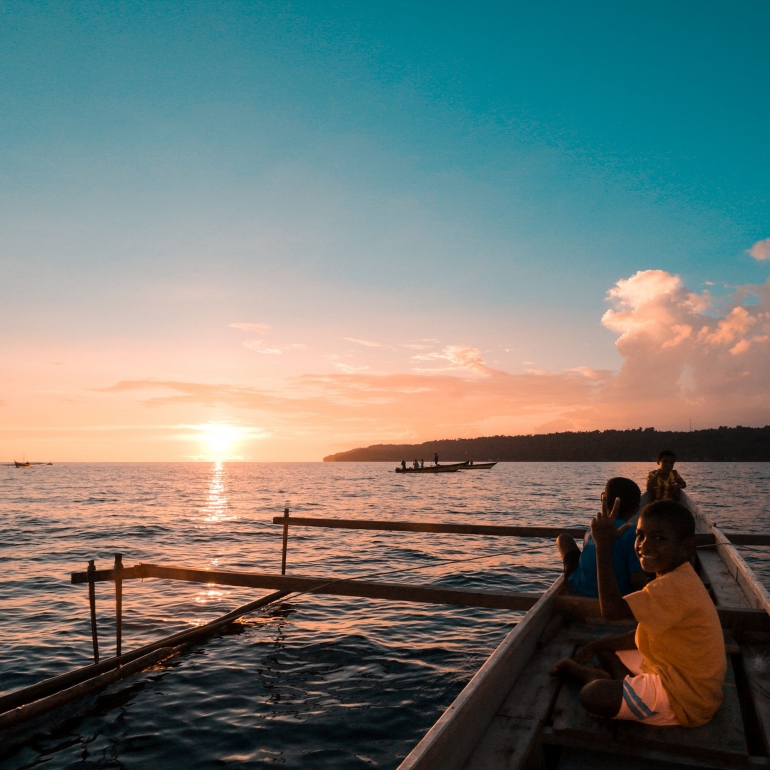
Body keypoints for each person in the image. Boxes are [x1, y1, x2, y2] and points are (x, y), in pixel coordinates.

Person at [551, 499, 726, 728]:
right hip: (672, 668)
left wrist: (604, 546)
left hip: (685, 699)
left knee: (592, 694)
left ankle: (595, 678)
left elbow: (611, 611)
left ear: (686, 547)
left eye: (659, 538)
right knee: (607, 649)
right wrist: (596, 646)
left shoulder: (673, 586)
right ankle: (622, 683)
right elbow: (646, 631)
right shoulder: (677, 576)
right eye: (640, 535)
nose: (644, 545)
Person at [557, 477, 647, 597]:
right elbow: (637, 579)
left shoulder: (594, 527)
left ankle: (568, 581)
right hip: (615, 595)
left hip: (579, 589)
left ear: (602, 499)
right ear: (636, 509)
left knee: (564, 538)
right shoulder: (633, 533)